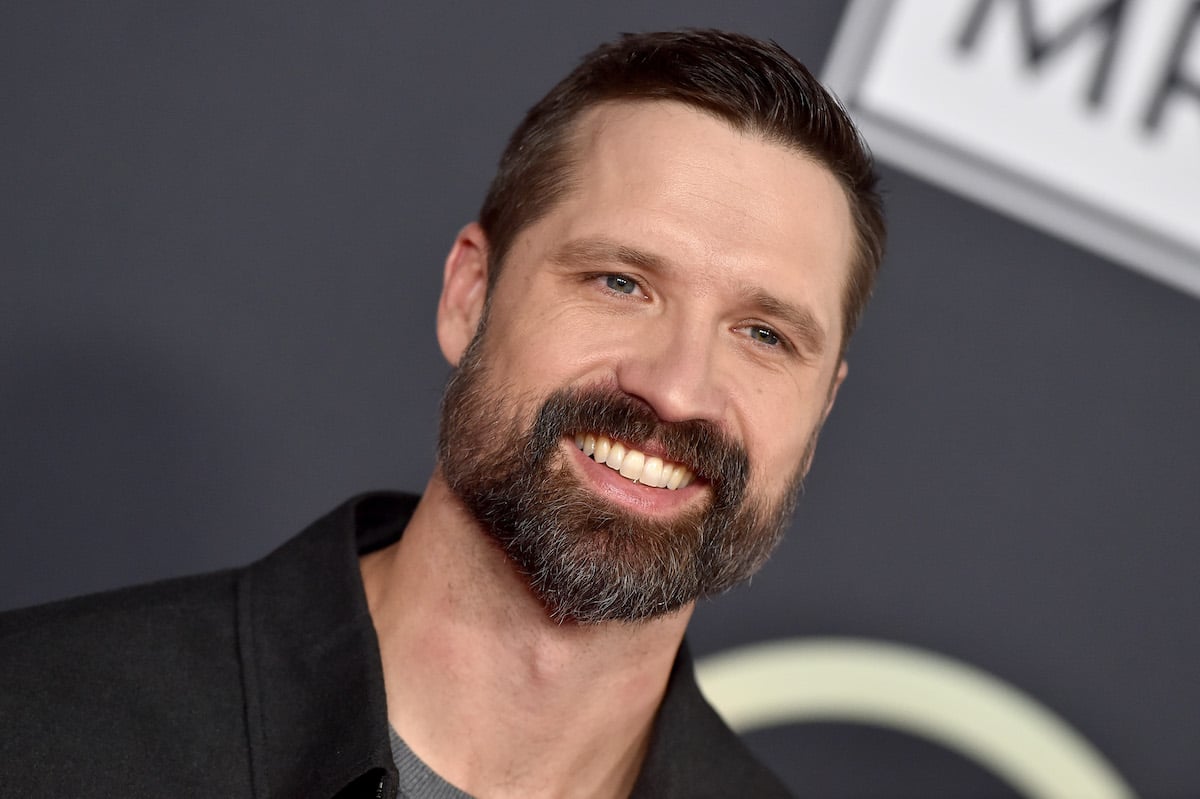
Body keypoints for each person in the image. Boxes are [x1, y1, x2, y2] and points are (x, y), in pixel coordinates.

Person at [0, 28, 884, 799]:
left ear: (823, 407)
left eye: (764, 334)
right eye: (622, 282)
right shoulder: (40, 726)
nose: (679, 387)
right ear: (470, 293)